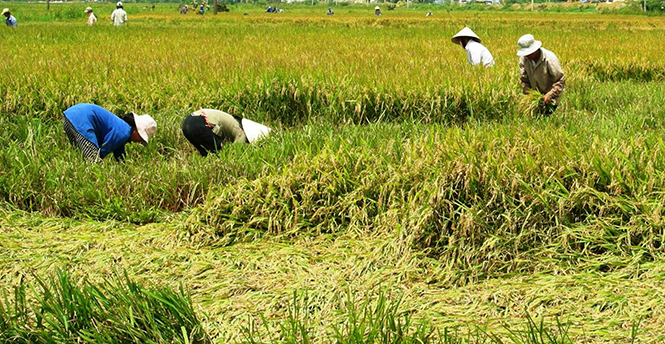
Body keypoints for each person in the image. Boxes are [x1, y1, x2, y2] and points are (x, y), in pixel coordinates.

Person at [63, 103, 157, 162]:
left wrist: (123, 164)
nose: (139, 141)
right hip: (81, 121)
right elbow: (104, 148)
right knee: (94, 161)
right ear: (136, 130)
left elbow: (119, 153)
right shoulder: (123, 133)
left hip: (69, 117)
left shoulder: (122, 129)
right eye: (141, 138)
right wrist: (99, 157)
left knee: (80, 157)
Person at [181, 109, 271, 157]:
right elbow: (236, 151)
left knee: (206, 153)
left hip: (187, 123)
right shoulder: (241, 132)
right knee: (220, 152)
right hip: (199, 123)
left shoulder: (234, 121)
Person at [517, 34, 565, 115]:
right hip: (535, 101)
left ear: (535, 50)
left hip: (552, 100)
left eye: (529, 53)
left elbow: (560, 80)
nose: (527, 56)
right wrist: (529, 94)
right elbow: (524, 80)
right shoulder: (523, 59)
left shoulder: (549, 59)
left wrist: (550, 95)